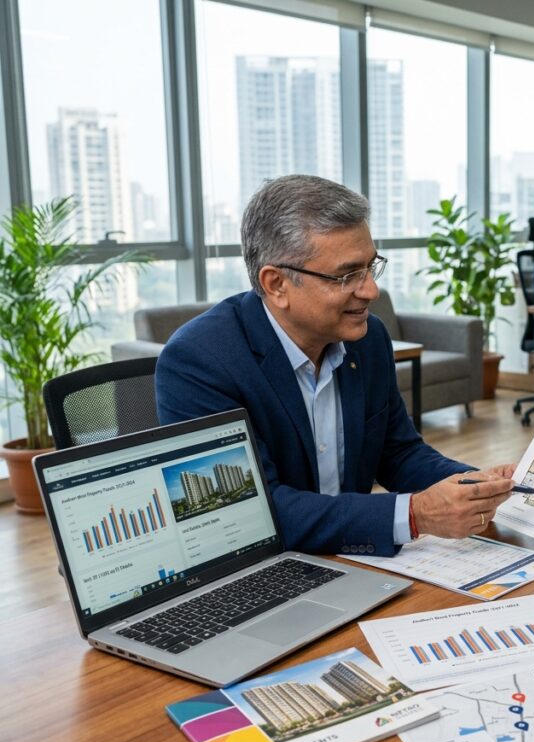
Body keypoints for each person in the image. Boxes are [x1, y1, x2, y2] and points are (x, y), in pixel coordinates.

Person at [156, 175, 514, 556]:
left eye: (370, 267)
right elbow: (249, 513)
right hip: (261, 570)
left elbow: (398, 452)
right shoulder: (199, 362)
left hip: (354, 559)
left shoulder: (368, 339)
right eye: (347, 275)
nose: (371, 291)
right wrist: (413, 515)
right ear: (277, 284)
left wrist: (470, 485)